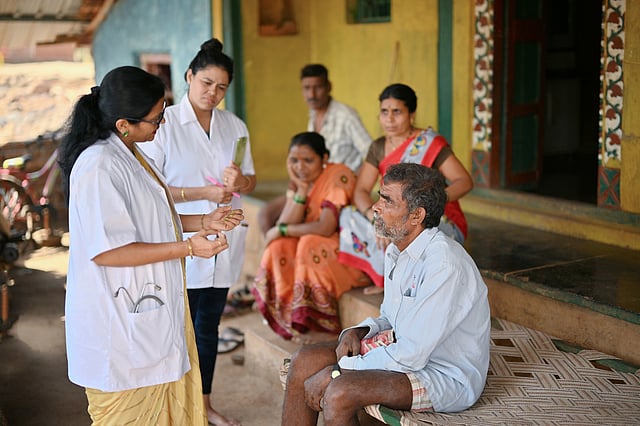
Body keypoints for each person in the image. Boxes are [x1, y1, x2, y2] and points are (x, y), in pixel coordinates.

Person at [59, 66, 244, 424]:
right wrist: (189, 248)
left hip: (148, 316)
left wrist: (204, 221)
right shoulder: (99, 166)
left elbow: (153, 220)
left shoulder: (130, 153)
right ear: (124, 124)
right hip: (117, 330)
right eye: (156, 118)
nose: (162, 123)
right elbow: (108, 251)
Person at [281, 163, 491, 425]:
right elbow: (391, 318)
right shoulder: (396, 250)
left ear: (416, 216)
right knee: (304, 360)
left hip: (444, 376)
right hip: (406, 355)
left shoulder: (444, 264)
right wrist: (359, 331)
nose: (375, 207)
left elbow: (412, 354)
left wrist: (336, 371)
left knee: (339, 392)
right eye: (379, 198)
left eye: (387, 201)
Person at [140, 38, 254, 426]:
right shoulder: (163, 125)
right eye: (206, 83)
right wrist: (202, 193)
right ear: (189, 76)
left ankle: (203, 407)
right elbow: (150, 190)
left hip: (223, 241)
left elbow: (250, 180)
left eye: (221, 87)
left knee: (208, 328)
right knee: (174, 328)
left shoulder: (234, 126)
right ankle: (173, 410)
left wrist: (242, 181)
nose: (213, 93)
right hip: (180, 242)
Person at [339, 83, 473, 291]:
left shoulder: (430, 143)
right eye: (384, 112)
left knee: (407, 225)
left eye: (397, 112)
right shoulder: (378, 147)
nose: (389, 119)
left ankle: (397, 280)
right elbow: (361, 190)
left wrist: (432, 200)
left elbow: (464, 181)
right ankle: (383, 275)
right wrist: (375, 218)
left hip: (430, 217)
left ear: (411, 114)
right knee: (348, 215)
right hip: (395, 214)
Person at [252, 132, 370, 341]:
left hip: (347, 249)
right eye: (294, 160)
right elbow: (284, 224)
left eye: (308, 160)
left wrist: (282, 230)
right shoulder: (301, 181)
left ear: (324, 158)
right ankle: (292, 317)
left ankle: (320, 323)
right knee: (279, 246)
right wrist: (301, 190)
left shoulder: (338, 175)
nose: (300, 167)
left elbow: (325, 227)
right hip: (317, 245)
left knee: (309, 243)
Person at [257, 64, 372, 234]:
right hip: (312, 185)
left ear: (328, 87)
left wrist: (356, 186)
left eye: (317, 87)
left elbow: (371, 153)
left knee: (293, 229)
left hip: (337, 189)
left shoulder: (346, 115)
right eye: (307, 88)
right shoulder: (313, 115)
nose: (312, 94)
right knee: (266, 215)